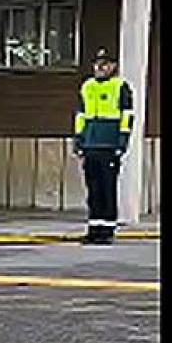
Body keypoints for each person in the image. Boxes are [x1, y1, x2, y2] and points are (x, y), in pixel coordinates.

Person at [73, 47, 135, 244]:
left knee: (108, 189)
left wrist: (121, 143)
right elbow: (81, 116)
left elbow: (127, 116)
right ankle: (94, 229)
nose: (100, 67)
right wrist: (79, 142)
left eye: (105, 64)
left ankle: (107, 230)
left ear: (113, 66)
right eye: (98, 64)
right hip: (90, 144)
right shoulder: (87, 86)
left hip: (109, 145)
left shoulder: (120, 86)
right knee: (93, 190)